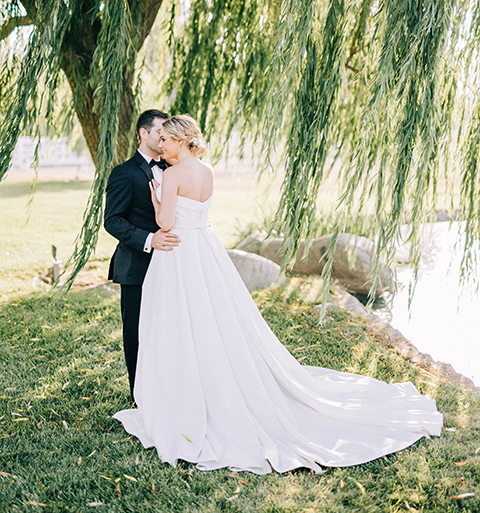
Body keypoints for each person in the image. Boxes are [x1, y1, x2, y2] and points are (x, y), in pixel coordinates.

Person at [113, 115, 442, 475]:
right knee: (212, 315)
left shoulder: (172, 175)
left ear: (179, 140)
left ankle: (181, 390)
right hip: (205, 250)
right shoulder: (206, 170)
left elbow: (165, 224)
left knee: (177, 317)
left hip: (177, 252)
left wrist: (158, 198)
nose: (162, 146)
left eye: (167, 140)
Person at [104, 109, 180, 398]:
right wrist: (150, 239)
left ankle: (167, 388)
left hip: (172, 264)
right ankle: (141, 394)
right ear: (143, 133)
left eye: (167, 134)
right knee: (136, 333)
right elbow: (113, 220)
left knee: (169, 329)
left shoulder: (174, 170)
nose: (164, 138)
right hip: (137, 265)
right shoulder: (123, 173)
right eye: (160, 132)